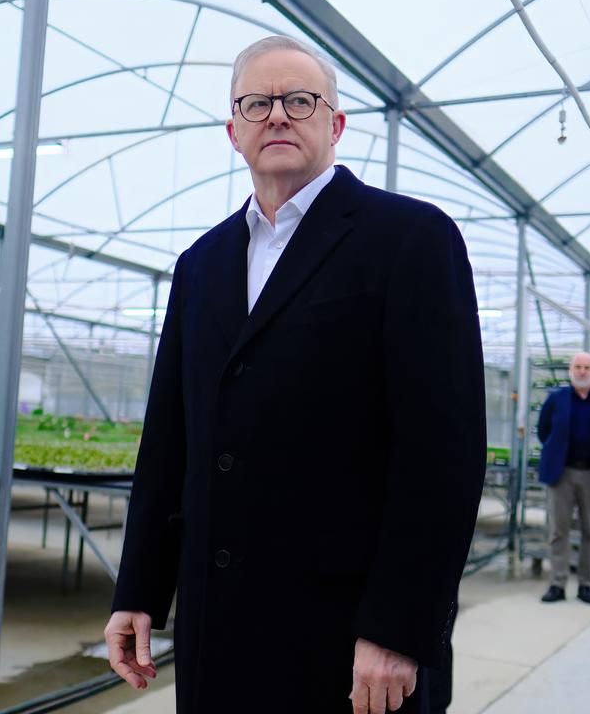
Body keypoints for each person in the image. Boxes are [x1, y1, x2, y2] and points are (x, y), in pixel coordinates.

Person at [103, 35, 486, 714]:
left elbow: (441, 457)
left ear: (334, 124)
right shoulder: (202, 263)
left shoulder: (409, 239)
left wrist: (397, 627)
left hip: (345, 638)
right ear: (234, 131)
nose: (276, 115)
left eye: (298, 100)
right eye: (256, 103)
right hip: (216, 628)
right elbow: (169, 440)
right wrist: (138, 589)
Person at [537, 352, 590, 605]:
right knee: (558, 531)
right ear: (570, 370)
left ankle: (586, 584)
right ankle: (557, 583)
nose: (582, 371)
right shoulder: (556, 399)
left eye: (587, 367)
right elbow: (544, 431)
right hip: (562, 473)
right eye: (578, 366)